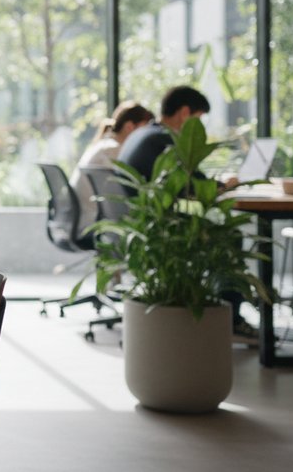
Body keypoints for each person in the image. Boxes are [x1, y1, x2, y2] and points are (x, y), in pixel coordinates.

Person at [114, 85, 252, 343]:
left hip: (143, 226)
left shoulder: (144, 134)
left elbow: (183, 184)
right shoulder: (163, 140)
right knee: (229, 235)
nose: (198, 127)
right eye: (198, 119)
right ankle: (232, 320)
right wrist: (225, 186)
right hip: (162, 229)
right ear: (185, 113)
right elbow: (195, 186)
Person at [68, 101, 154, 230]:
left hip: (83, 219)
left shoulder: (104, 145)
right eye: (143, 131)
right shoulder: (113, 151)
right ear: (130, 126)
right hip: (94, 222)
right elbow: (123, 196)